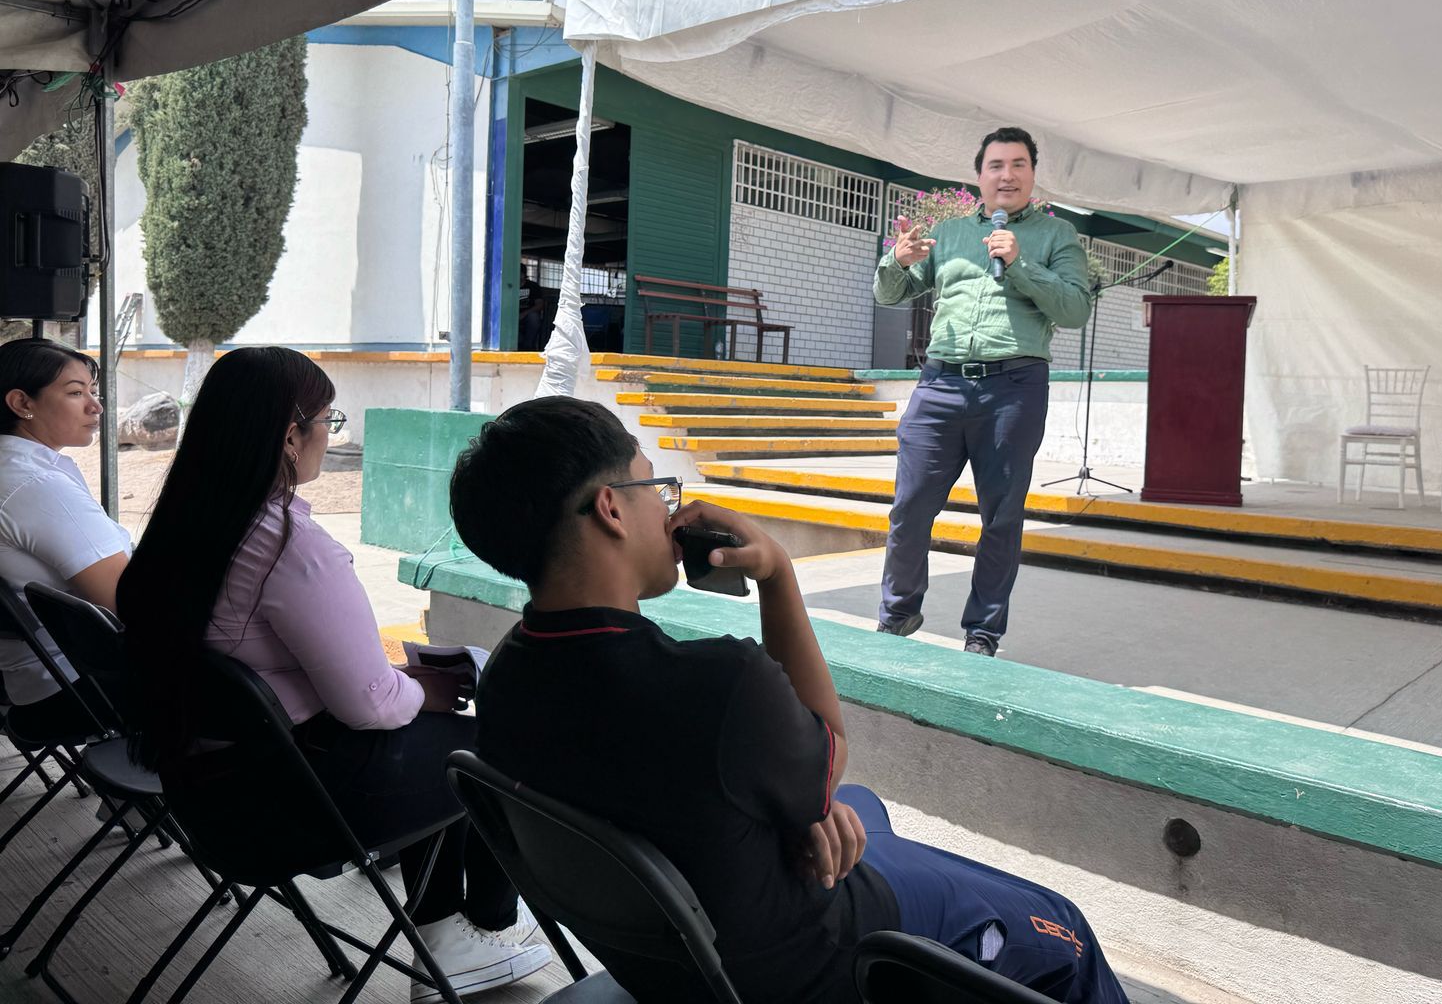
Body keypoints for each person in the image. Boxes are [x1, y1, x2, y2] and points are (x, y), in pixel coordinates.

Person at [449, 397, 1127, 1004]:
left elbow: (693, 786)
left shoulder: (505, 677)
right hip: (815, 961)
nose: (670, 508)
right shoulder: (719, 685)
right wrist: (778, 574)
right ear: (611, 509)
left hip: (672, 963)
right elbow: (830, 748)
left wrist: (806, 808)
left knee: (857, 809)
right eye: (655, 486)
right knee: (1063, 929)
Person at [117, 347, 549, 1002]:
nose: (331, 433)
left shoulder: (185, 526)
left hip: (204, 787)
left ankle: (444, 932)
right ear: (290, 438)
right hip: (286, 805)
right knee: (490, 752)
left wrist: (393, 684)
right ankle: (485, 926)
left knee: (433, 741)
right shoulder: (289, 548)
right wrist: (420, 687)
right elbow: (369, 705)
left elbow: (260, 667)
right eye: (328, 419)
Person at [873, 127, 1093, 655]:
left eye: (1018, 165)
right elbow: (889, 294)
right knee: (909, 508)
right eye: (996, 165)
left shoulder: (1057, 236)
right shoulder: (948, 232)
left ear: (1033, 175)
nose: (1007, 175)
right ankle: (898, 615)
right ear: (979, 176)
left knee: (1001, 516)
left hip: (1013, 388)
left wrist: (1020, 263)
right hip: (940, 384)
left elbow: (1074, 309)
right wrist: (897, 261)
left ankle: (983, 632)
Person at [0, 338, 130, 738]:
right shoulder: (35, 485)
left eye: (93, 391)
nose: (96, 406)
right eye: (76, 393)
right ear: (22, 403)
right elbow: (126, 603)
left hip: (40, 675)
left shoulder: (18, 469)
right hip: (73, 683)